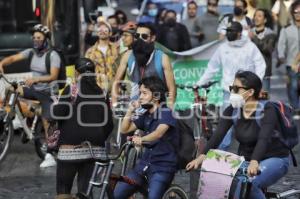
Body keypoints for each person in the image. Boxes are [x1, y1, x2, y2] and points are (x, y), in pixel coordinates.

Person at [187, 71, 290, 199]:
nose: (232, 92)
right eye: (231, 88)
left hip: (275, 158)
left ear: (251, 92)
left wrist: (254, 161)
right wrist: (201, 157)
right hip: (246, 160)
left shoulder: (267, 110)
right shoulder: (232, 110)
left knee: (252, 183)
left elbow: (264, 139)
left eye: (236, 89)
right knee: (224, 181)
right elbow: (218, 135)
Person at [196, 21, 266, 150]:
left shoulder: (250, 47)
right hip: (228, 93)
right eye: (227, 31)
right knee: (225, 125)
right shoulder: (223, 48)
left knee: (252, 123)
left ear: (239, 33)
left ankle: (253, 151)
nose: (228, 33)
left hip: (246, 94)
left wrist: (255, 85)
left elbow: (261, 65)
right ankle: (221, 155)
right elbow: (212, 67)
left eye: (231, 31)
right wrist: (199, 83)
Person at [0, 24, 61, 168]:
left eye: (39, 38)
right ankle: (11, 116)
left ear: (46, 39)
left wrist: (36, 79)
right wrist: (2, 63)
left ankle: (50, 154)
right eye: (34, 38)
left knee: (47, 121)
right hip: (35, 90)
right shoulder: (32, 52)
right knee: (11, 88)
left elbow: (54, 75)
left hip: (49, 93)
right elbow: (13, 58)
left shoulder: (53, 55)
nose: (36, 40)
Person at [53, 58, 114, 199]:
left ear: (76, 73)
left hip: (70, 150)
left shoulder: (72, 90)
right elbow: (109, 124)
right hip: (95, 151)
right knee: (85, 193)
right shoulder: (102, 93)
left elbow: (58, 114)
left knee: (63, 191)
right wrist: (96, 136)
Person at [113, 76, 179, 199]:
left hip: (162, 167)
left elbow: (158, 133)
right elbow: (124, 129)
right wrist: (130, 110)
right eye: (140, 93)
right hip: (143, 166)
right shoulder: (146, 115)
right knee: (117, 194)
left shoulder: (166, 112)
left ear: (156, 96)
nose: (140, 97)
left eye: (144, 93)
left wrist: (141, 139)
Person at [111, 23, 176, 109]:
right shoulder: (127, 55)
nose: (140, 39)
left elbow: (171, 88)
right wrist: (115, 104)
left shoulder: (163, 58)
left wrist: (169, 107)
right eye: (137, 36)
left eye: (144, 36)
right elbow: (116, 82)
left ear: (152, 38)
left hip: (157, 105)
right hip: (135, 105)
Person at [85, 19, 119, 93]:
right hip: (96, 91)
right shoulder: (90, 52)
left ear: (110, 33)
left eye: (105, 29)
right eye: (100, 28)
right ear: (97, 33)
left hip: (114, 90)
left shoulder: (117, 49)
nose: (102, 30)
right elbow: (86, 73)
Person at [278, 0, 300, 109]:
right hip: (291, 63)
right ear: (292, 12)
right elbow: (281, 44)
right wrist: (281, 56)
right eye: (296, 12)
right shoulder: (286, 29)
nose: (298, 14)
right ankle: (295, 107)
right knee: (293, 86)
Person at [251, 9, 276, 92]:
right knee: (250, 103)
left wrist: (254, 38)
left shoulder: (271, 34)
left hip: (264, 74)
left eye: (259, 16)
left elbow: (268, 50)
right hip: (250, 73)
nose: (256, 18)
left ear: (265, 20)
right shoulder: (248, 33)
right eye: (255, 16)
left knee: (264, 101)